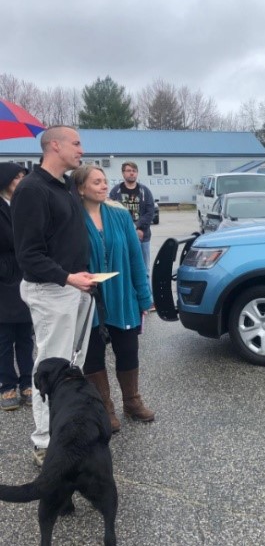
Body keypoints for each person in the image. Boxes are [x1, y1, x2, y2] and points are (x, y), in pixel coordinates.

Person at [11, 126, 98, 466]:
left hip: (75, 287)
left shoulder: (64, 188)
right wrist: (66, 277)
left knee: (71, 365)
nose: (81, 149)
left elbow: (66, 240)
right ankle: (45, 441)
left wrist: (83, 275)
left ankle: (68, 431)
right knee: (50, 366)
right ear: (55, 146)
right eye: (76, 143)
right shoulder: (32, 190)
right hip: (51, 291)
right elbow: (28, 255)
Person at [72, 164, 155, 432]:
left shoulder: (118, 215)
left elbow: (135, 257)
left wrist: (144, 296)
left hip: (122, 296)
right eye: (96, 182)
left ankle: (132, 401)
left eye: (104, 181)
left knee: (128, 351)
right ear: (81, 188)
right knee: (93, 356)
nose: (104, 186)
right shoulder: (72, 218)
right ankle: (104, 408)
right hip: (89, 299)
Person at [0, 163, 34, 411]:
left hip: (26, 274)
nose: (21, 180)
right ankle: (7, 385)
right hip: (4, 277)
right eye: (16, 176)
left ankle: (28, 381)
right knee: (4, 338)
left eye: (24, 176)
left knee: (25, 335)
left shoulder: (25, 204)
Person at [108, 161, 155, 300]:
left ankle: (148, 299)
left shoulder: (144, 191)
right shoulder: (116, 191)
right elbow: (111, 212)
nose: (131, 173)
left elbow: (150, 212)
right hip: (122, 236)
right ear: (123, 173)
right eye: (128, 170)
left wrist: (136, 227)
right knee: (124, 268)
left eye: (134, 170)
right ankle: (129, 297)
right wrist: (127, 230)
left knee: (144, 269)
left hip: (143, 236)